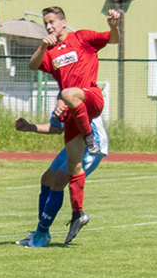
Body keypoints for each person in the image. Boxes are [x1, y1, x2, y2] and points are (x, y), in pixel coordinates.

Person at [26, 6, 119, 247]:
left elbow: (113, 39)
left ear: (64, 22)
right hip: (73, 115)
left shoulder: (83, 38)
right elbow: (32, 65)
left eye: (52, 22)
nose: (48, 26)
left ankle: (91, 138)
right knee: (50, 177)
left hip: (91, 100)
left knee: (69, 93)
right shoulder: (51, 51)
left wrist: (114, 25)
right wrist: (43, 46)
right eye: (45, 23)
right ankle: (76, 215)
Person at [14, 98, 108, 247]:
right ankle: (41, 231)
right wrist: (29, 127)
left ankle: (42, 233)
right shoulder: (64, 92)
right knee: (47, 179)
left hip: (92, 145)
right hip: (76, 142)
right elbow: (57, 127)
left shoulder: (78, 91)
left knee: (58, 181)